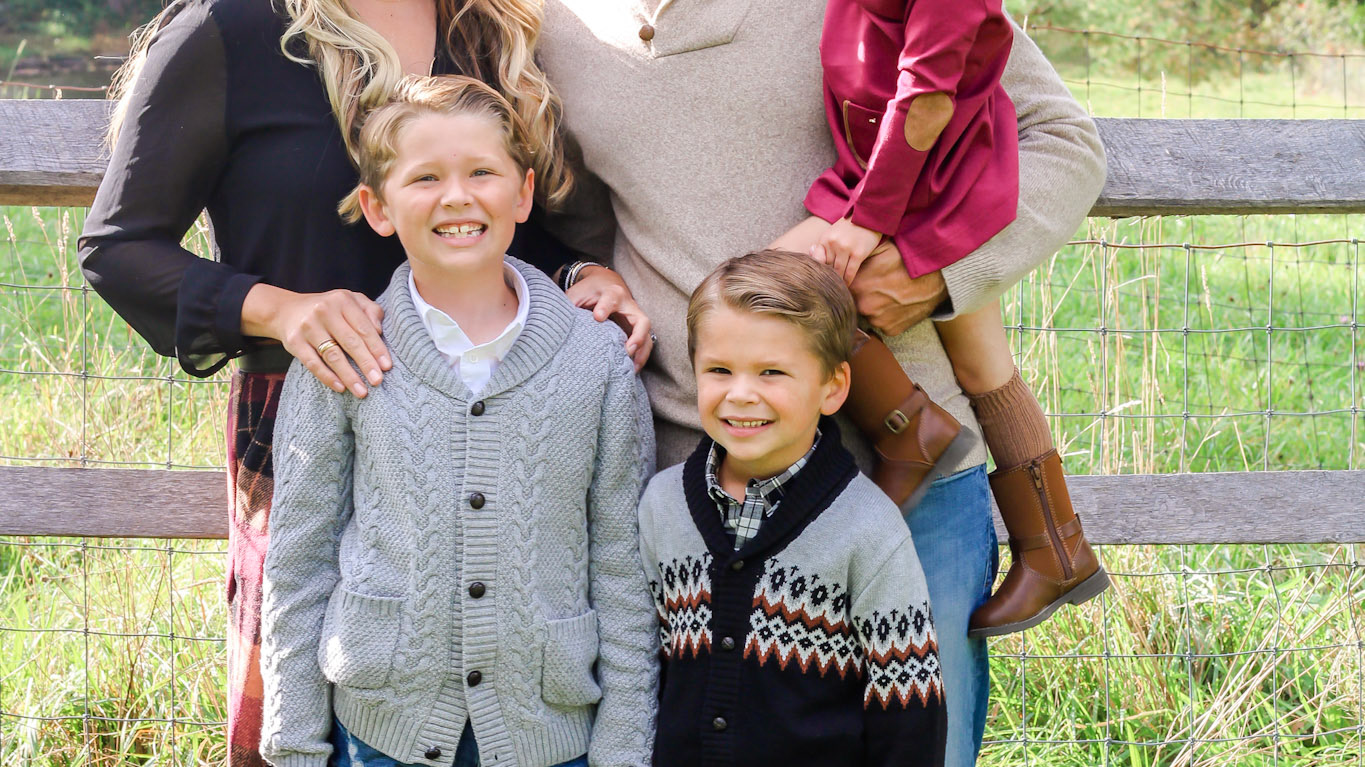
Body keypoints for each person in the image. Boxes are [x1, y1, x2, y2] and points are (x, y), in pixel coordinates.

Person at [77, 1, 652, 763]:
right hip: (310, 402)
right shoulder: (230, 28)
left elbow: (485, 212)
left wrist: (577, 272)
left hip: (508, 412)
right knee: (299, 707)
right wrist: (284, 310)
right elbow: (118, 249)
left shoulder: (485, 27)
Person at [536, 4, 1107, 764]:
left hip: (904, 481)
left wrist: (935, 272)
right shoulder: (552, 26)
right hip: (687, 498)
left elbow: (1061, 142)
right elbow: (576, 219)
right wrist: (583, 271)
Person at [259, 75, 658, 767]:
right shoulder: (345, 352)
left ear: (522, 195)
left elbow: (622, 569)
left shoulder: (597, 361)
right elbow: (300, 560)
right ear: (377, 207)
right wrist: (294, 745)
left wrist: (623, 747)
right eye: (424, 178)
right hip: (381, 728)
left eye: (481, 172)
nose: (456, 196)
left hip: (549, 732)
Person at [766, 0, 1110, 637]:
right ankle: (1057, 552)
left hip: (926, 177)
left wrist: (870, 217)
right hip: (904, 168)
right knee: (985, 368)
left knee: (773, 287)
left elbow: (927, 95)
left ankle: (910, 431)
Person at [639, 249, 946, 766]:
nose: (741, 394)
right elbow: (644, 666)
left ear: (833, 387)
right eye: (719, 369)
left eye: (771, 372)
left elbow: (909, 707)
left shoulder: (868, 528)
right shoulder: (662, 506)